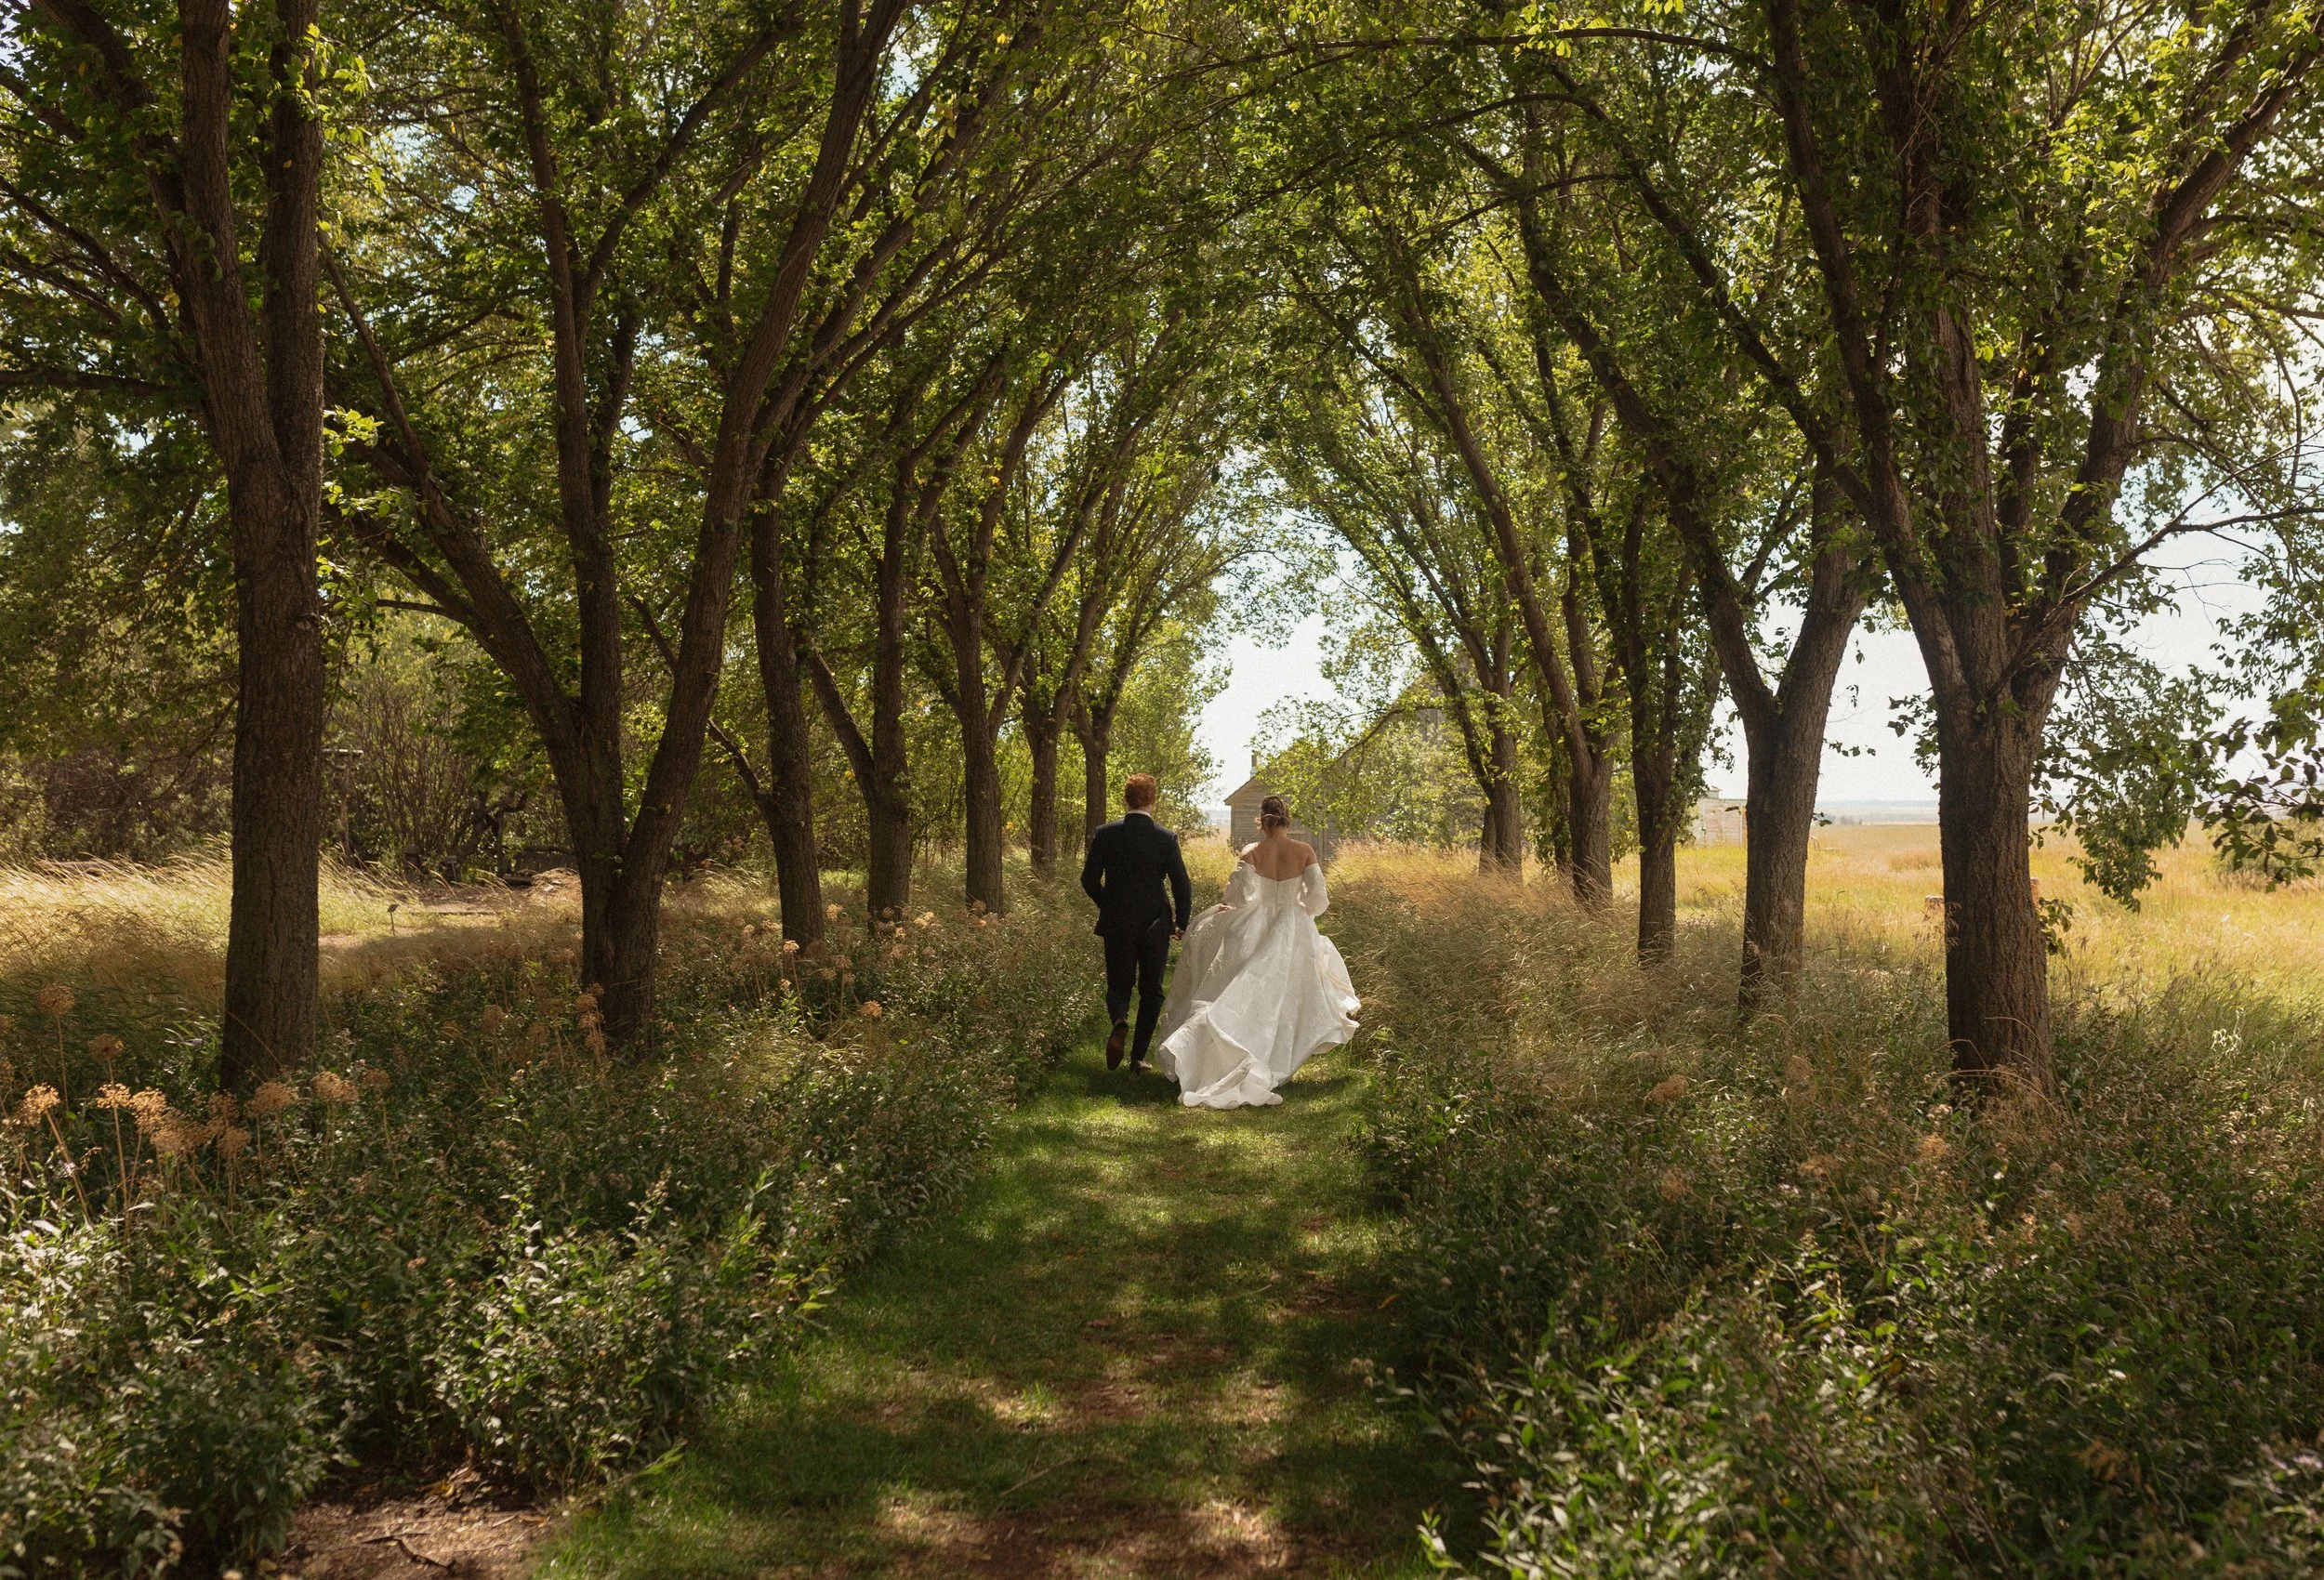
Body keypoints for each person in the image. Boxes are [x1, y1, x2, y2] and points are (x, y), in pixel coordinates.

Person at [1155, 794, 1359, 1109]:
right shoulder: (1304, 851)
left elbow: (1238, 896)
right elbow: (1318, 897)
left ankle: (1240, 1046)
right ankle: (1272, 1051)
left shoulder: (1252, 851)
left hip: (1255, 923)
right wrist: (1301, 910)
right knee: (1283, 995)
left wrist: (1236, 908)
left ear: (1261, 822)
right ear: (1287, 821)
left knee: (1244, 989)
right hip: (1293, 924)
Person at [1080, 772, 1192, 1072]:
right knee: (1151, 990)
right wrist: (1182, 921)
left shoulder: (1105, 834)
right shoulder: (1165, 838)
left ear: (1125, 799)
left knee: (1119, 983)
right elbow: (1181, 882)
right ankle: (1138, 1058)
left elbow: (1088, 880)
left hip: (1117, 921)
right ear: (1152, 801)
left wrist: (1109, 904)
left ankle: (1119, 1019)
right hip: (1154, 922)